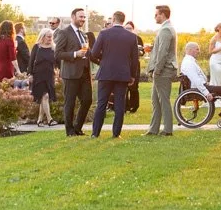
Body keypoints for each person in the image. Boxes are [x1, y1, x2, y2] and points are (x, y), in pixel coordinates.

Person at [87, 11, 140, 138]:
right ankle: (116, 133)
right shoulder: (132, 37)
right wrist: (132, 75)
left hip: (106, 72)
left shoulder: (104, 33)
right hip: (122, 74)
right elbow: (134, 59)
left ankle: (95, 133)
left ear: (114, 19)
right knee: (120, 105)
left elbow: (93, 53)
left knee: (101, 103)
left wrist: (104, 58)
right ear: (123, 20)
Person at [181, 42, 221, 123]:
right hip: (197, 89)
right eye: (197, 49)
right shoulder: (188, 63)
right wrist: (206, 93)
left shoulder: (189, 61)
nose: (199, 51)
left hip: (200, 86)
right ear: (190, 50)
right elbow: (196, 80)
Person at [54, 8, 92, 137]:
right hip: (71, 74)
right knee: (70, 103)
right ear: (73, 17)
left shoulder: (83, 34)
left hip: (85, 73)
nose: (82, 19)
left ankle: (77, 128)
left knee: (87, 100)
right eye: (80, 17)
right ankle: (69, 131)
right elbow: (58, 54)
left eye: (84, 17)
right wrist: (75, 54)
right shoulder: (64, 33)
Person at [145, 5, 178, 137]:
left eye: (156, 14)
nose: (155, 17)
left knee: (163, 100)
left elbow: (163, 53)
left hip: (164, 70)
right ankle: (153, 129)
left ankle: (168, 130)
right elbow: (160, 48)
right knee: (155, 100)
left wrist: (157, 70)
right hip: (162, 70)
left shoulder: (166, 30)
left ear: (163, 14)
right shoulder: (166, 29)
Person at [29, 28, 58, 126]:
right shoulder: (37, 47)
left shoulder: (53, 47)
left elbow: (57, 62)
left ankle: (40, 120)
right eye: (48, 36)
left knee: (43, 98)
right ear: (43, 36)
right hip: (38, 76)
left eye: (51, 37)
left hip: (49, 76)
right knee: (45, 96)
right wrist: (30, 74)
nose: (50, 38)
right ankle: (50, 119)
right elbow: (31, 61)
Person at [123, 21, 145, 113]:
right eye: (126, 28)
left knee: (134, 86)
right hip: (124, 64)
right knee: (124, 87)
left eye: (130, 28)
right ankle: (125, 106)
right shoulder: (122, 38)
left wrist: (140, 52)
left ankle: (134, 106)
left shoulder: (138, 38)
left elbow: (142, 51)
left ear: (133, 29)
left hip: (135, 64)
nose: (128, 30)